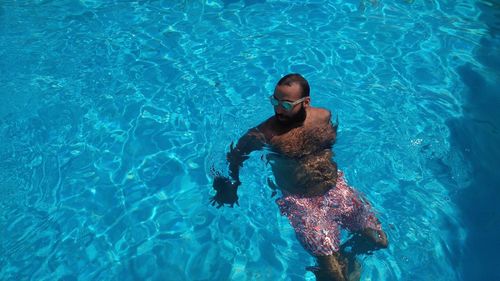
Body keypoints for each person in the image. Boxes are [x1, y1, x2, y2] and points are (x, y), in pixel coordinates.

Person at [210, 73, 388, 281]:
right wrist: (230, 185)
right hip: (303, 203)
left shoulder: (322, 116)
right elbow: (234, 157)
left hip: (336, 188)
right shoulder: (264, 134)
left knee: (379, 241)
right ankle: (332, 264)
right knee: (335, 277)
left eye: (285, 105)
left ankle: (344, 256)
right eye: (274, 101)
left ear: (306, 102)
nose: (277, 109)